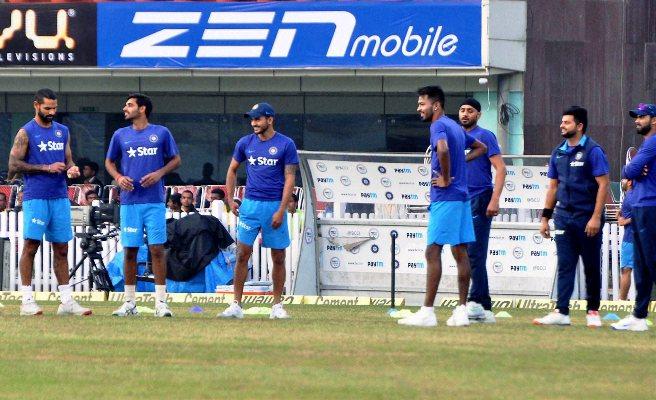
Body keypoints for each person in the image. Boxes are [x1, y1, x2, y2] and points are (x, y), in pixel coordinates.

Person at [399, 86, 487, 328]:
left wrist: (446, 177)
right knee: (460, 252)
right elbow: (482, 148)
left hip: (446, 196)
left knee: (432, 251)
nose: (419, 108)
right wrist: (460, 164)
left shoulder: (438, 125)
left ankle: (428, 311)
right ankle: (461, 311)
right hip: (462, 197)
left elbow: (443, 149)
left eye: (421, 104)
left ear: (435, 105)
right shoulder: (456, 127)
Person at [7, 88, 91, 316]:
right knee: (31, 246)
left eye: (54, 108)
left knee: (62, 248)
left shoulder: (62, 131)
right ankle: (27, 301)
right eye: (47, 108)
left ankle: (67, 303)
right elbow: (13, 165)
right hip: (36, 196)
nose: (52, 112)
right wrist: (45, 167)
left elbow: (68, 159)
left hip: (60, 196)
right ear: (36, 105)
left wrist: (72, 169)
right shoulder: (26, 132)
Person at [220, 102, 299, 320]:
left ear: (270, 119)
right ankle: (236, 304)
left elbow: (290, 178)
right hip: (250, 206)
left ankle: (277, 306)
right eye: (252, 119)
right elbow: (232, 170)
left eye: (258, 119)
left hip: (274, 205)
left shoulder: (286, 144)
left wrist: (281, 210)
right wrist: (230, 199)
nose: (253, 123)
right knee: (242, 254)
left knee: (279, 256)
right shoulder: (245, 142)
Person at [105, 93, 181, 317]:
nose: (124, 108)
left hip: (154, 201)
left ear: (143, 109)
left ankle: (161, 303)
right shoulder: (120, 135)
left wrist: (159, 173)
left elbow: (176, 159)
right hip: (129, 202)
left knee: (157, 249)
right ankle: (129, 303)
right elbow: (109, 162)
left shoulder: (161, 133)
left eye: (129, 105)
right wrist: (118, 178)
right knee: (130, 250)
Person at [535, 106, 610, 327]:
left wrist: (596, 217)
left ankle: (593, 311)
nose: (562, 125)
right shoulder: (558, 152)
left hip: (587, 217)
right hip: (564, 217)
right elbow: (553, 188)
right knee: (565, 264)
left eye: (567, 122)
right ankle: (562, 311)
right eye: (562, 121)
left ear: (579, 126)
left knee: (590, 265)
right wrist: (545, 218)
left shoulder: (593, 151)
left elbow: (603, 184)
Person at [459, 98, 507, 323]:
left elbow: (500, 169)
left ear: (478, 114)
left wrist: (494, 200)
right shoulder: (456, 136)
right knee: (465, 254)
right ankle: (482, 304)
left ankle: (477, 303)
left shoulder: (486, 136)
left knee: (476, 254)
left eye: (470, 110)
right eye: (462, 110)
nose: (465, 114)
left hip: (480, 197)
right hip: (459, 200)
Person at [612, 103, 656, 331]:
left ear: (654, 120)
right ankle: (639, 317)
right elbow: (625, 172)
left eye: (642, 116)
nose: (637, 120)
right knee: (642, 264)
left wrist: (634, 170)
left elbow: (629, 171)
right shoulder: (647, 145)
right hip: (641, 207)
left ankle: (639, 315)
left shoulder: (653, 143)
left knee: (650, 262)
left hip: (650, 206)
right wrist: (634, 170)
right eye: (636, 117)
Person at [616, 179, 635, 301]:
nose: (622, 181)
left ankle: (621, 302)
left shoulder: (631, 196)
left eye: (625, 179)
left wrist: (624, 220)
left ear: (630, 182)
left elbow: (622, 220)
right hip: (634, 238)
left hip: (631, 239)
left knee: (626, 270)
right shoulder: (629, 197)